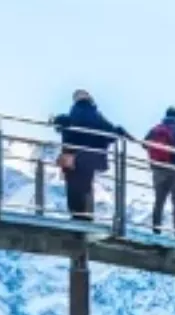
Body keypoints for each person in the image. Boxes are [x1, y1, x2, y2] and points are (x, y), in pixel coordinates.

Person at [49, 89, 127, 222]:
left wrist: (55, 119)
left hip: (72, 157)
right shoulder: (97, 116)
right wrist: (119, 131)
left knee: (73, 187)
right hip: (91, 158)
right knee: (86, 186)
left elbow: (61, 125)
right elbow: (111, 134)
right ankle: (87, 215)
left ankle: (76, 215)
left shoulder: (72, 114)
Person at [144, 106, 175, 235]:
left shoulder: (155, 129)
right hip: (174, 168)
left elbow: (144, 144)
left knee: (159, 201)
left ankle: (156, 230)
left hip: (158, 169)